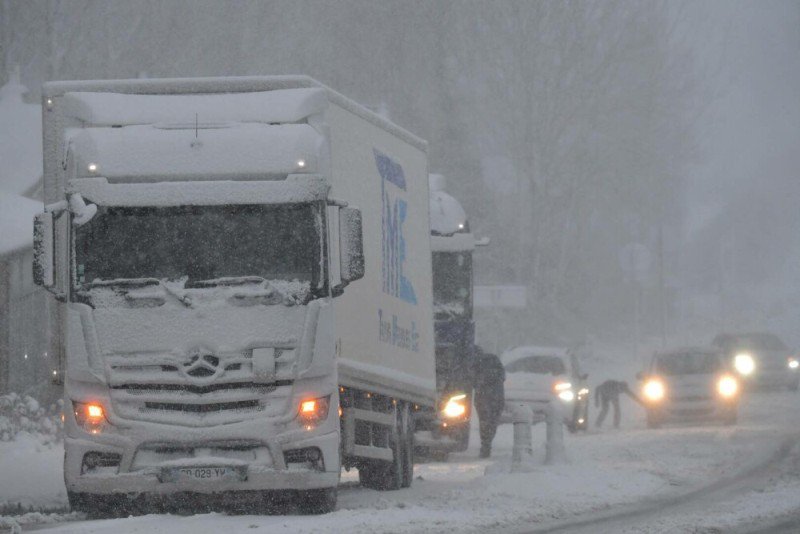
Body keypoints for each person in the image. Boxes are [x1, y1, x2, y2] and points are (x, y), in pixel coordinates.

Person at [471, 346, 506, 458]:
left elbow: (472, 381)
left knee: (485, 421)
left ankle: (486, 445)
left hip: (484, 396)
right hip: (496, 396)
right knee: (492, 421)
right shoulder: (494, 360)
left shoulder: (475, 365)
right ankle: (487, 443)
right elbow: (502, 376)